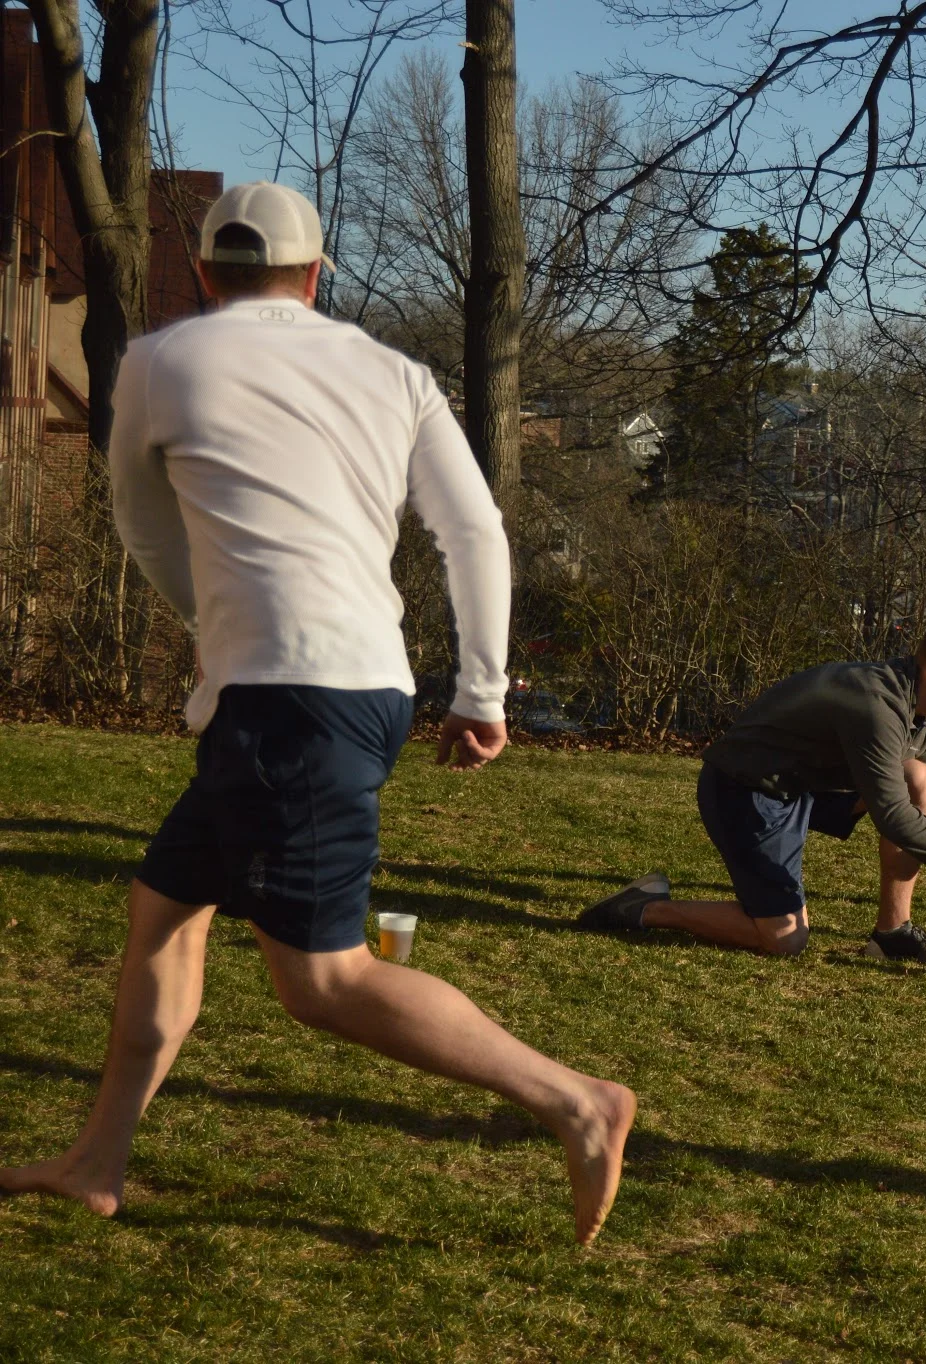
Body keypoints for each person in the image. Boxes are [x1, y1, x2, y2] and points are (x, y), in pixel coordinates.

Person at [0, 183, 635, 1244]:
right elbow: (475, 531)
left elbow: (142, 524)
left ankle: (578, 1100)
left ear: (207, 273)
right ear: (313, 275)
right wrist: (480, 692)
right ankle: (96, 1163)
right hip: (358, 688)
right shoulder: (396, 374)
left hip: (287, 707)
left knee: (323, 981)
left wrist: (214, 624)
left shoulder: (158, 361)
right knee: (163, 911)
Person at [580, 617, 926, 968]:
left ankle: (892, 934)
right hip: (747, 790)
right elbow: (893, 815)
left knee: (923, 780)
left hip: (805, 789)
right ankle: (646, 907)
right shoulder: (876, 703)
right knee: (785, 940)